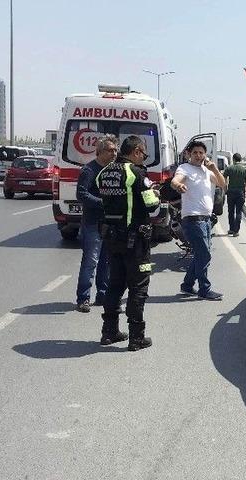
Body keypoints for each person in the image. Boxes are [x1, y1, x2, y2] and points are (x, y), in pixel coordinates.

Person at [96, 135, 160, 351]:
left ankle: (109, 332)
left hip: (112, 239)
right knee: (138, 288)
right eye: (144, 154)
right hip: (136, 240)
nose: (144, 158)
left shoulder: (104, 173)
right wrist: (156, 195)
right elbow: (152, 206)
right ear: (136, 152)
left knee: (115, 285)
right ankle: (136, 338)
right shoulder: (137, 173)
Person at [171, 141, 227, 300]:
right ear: (189, 154)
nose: (198, 156)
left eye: (201, 153)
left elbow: (223, 185)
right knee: (205, 254)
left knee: (200, 255)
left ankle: (187, 285)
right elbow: (176, 180)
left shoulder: (207, 171)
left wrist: (214, 168)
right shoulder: (185, 169)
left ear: (205, 155)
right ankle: (204, 288)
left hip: (207, 220)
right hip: (193, 219)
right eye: (195, 152)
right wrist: (178, 185)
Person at [74, 135, 117, 313]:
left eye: (116, 150)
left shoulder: (114, 169)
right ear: (99, 152)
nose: (114, 153)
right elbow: (81, 194)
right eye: (110, 150)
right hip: (93, 223)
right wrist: (102, 203)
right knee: (91, 261)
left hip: (110, 223)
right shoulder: (89, 170)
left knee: (106, 261)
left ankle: (103, 294)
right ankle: (83, 298)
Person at [222, 153, 246, 236]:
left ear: (233, 159)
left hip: (231, 192)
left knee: (230, 211)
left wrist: (225, 190)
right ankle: (236, 231)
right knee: (238, 212)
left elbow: (224, 179)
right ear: (240, 160)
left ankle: (231, 229)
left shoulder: (229, 168)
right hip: (240, 193)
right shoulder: (245, 170)